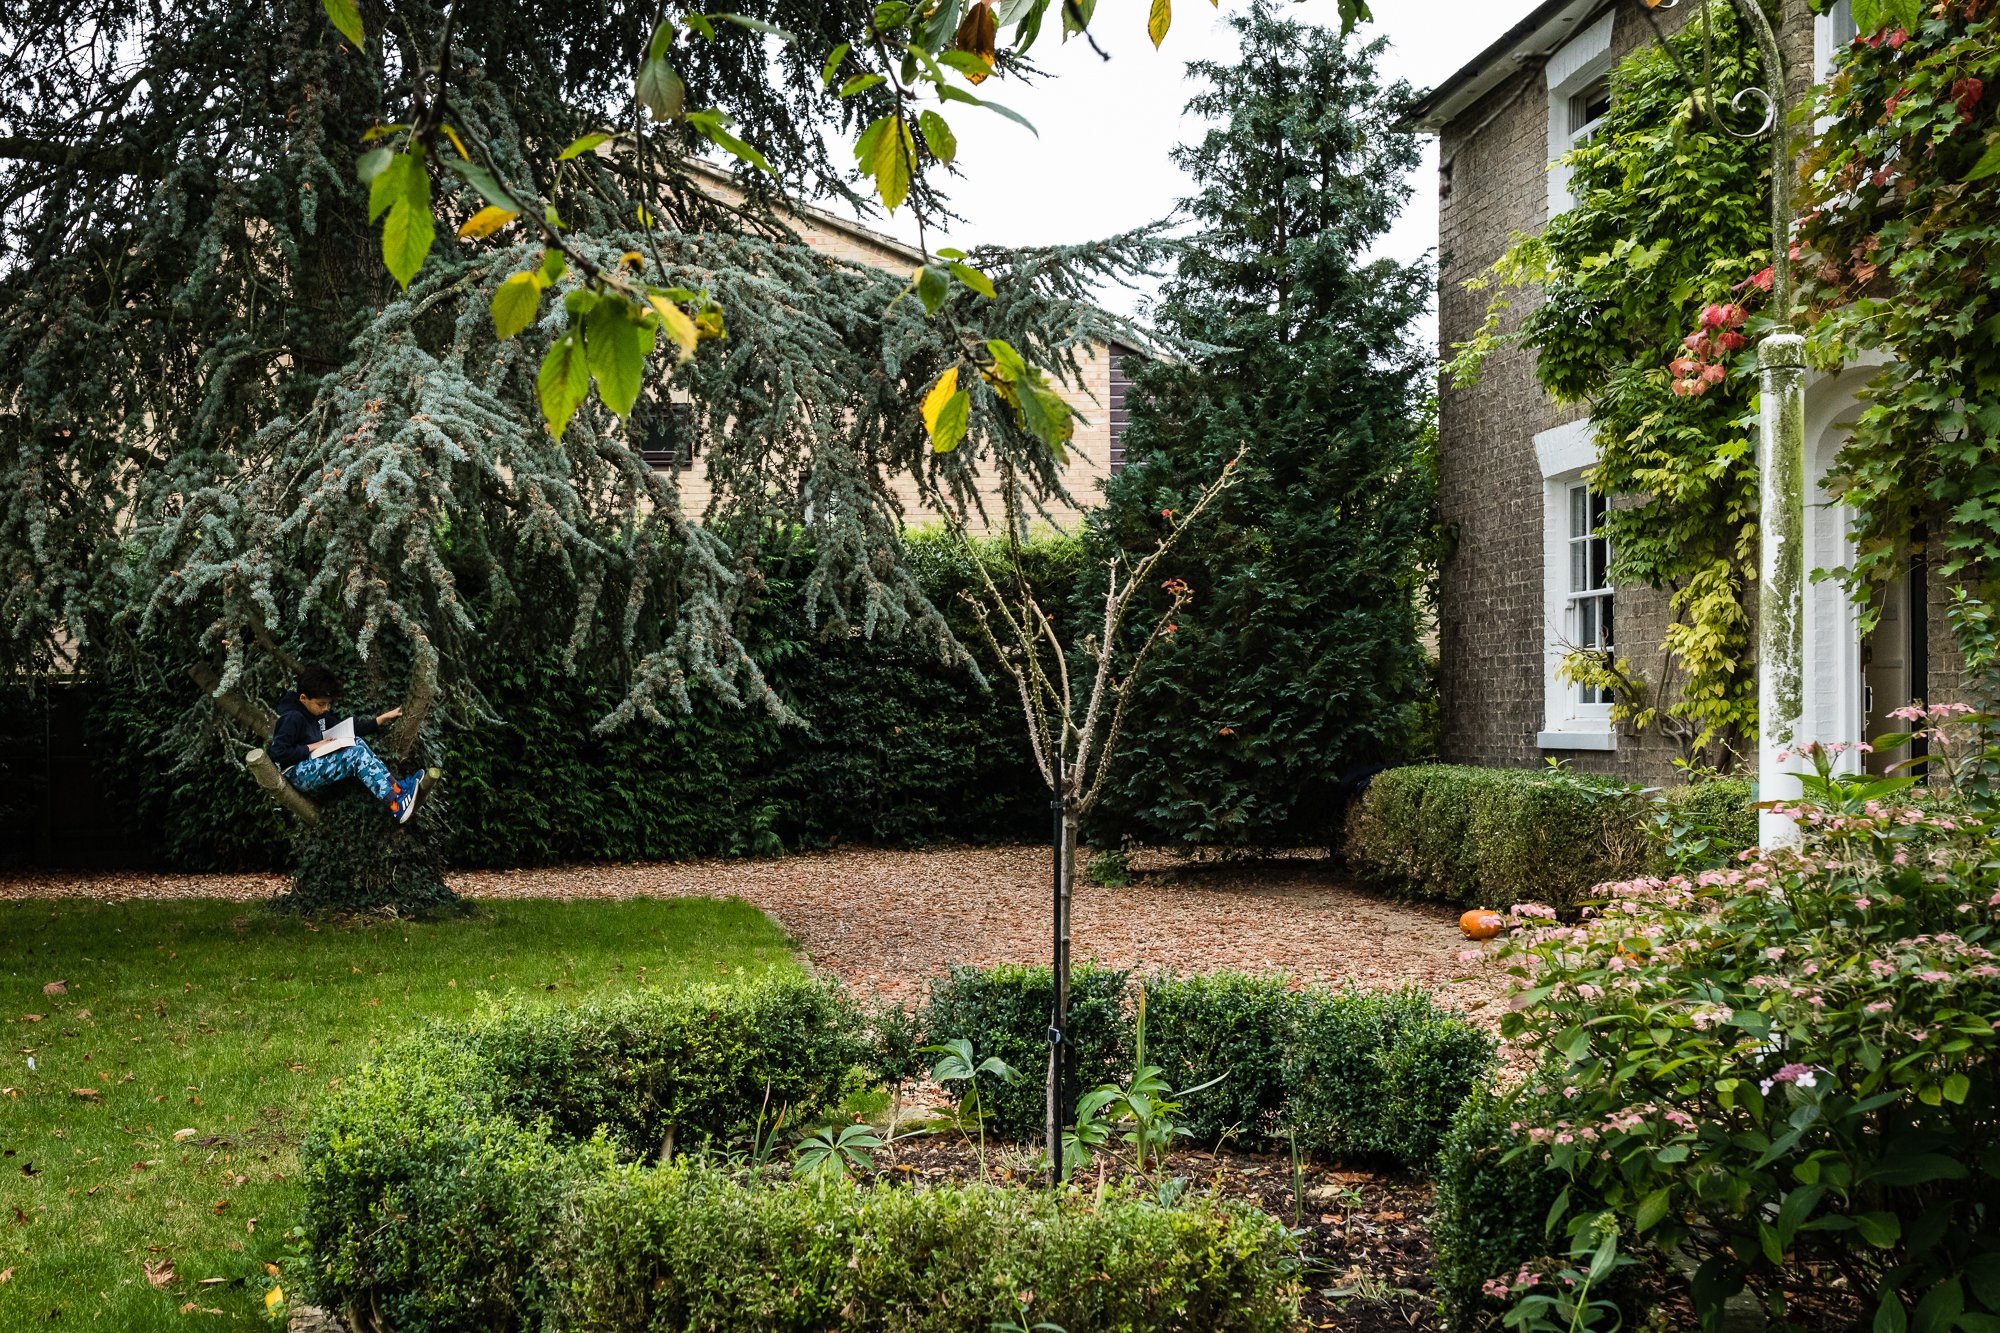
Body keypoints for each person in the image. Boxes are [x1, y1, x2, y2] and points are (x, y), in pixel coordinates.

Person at [268, 664, 425, 823]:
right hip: (296, 773)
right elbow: (277, 753)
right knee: (355, 755)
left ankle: (397, 788)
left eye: (328, 704)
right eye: (321, 704)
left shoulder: (318, 715)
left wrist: (381, 719)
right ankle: (396, 805)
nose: (325, 709)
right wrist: (312, 747)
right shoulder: (292, 717)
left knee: (357, 742)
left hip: (313, 761)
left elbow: (349, 729)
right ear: (303, 698)